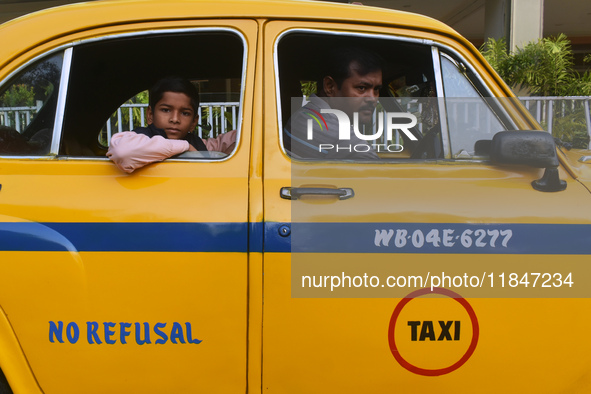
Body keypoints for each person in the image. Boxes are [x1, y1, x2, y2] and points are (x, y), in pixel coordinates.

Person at [107, 77, 236, 173]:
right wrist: (185, 147)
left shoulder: (196, 143)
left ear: (193, 122)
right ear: (150, 115)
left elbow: (223, 144)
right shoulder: (142, 137)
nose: (175, 119)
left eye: (185, 113)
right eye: (166, 110)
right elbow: (123, 151)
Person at [284, 47, 383, 160]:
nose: (373, 98)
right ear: (329, 86)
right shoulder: (343, 137)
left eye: (376, 89)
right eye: (361, 88)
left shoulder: (303, 114)